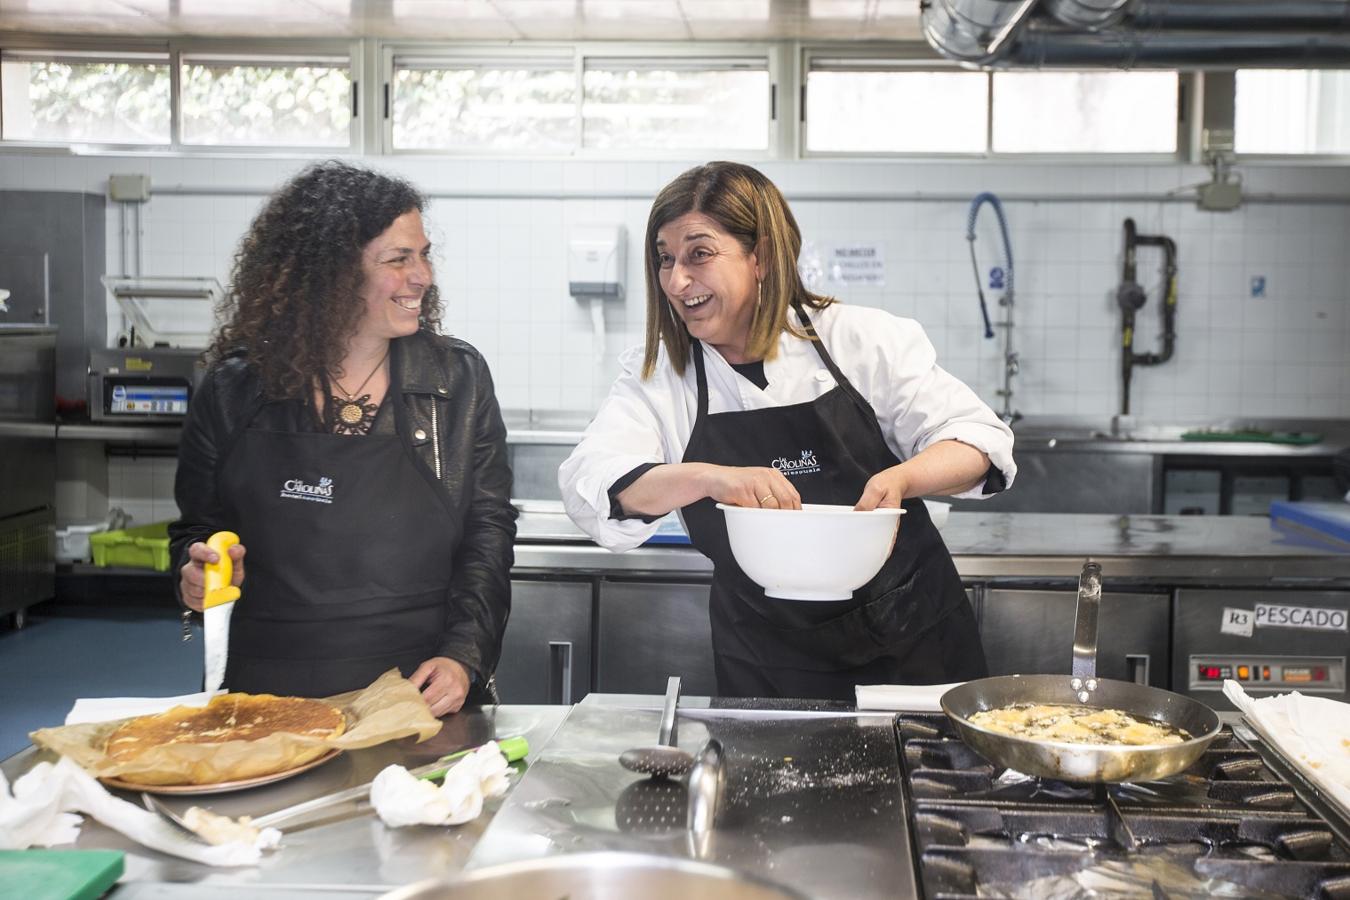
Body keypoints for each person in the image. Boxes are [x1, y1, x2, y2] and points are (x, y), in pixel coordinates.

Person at [559, 161, 1015, 701]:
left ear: (762, 258)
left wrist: (904, 480)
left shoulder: (858, 341)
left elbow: (979, 442)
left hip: (911, 647)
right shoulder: (663, 377)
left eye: (699, 254)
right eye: (665, 259)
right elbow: (592, 482)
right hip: (764, 660)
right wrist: (708, 478)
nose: (676, 281)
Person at [170, 161, 516, 716]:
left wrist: (464, 653)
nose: (422, 275)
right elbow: (197, 528)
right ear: (328, 272)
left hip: (416, 688)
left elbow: (488, 531)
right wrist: (193, 575)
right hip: (266, 687)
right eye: (398, 259)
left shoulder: (456, 381)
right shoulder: (234, 390)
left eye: (423, 254)